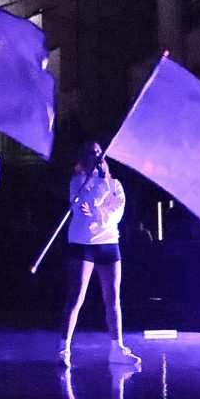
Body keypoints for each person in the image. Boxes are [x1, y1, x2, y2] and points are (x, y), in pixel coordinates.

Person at [57, 141, 140, 369]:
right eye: (92, 152)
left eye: (99, 152)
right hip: (82, 243)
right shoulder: (78, 182)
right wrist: (98, 200)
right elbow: (85, 205)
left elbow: (116, 213)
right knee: (76, 297)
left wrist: (97, 212)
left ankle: (117, 348)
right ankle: (64, 349)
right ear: (83, 157)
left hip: (109, 243)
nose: (97, 155)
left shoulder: (116, 184)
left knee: (113, 299)